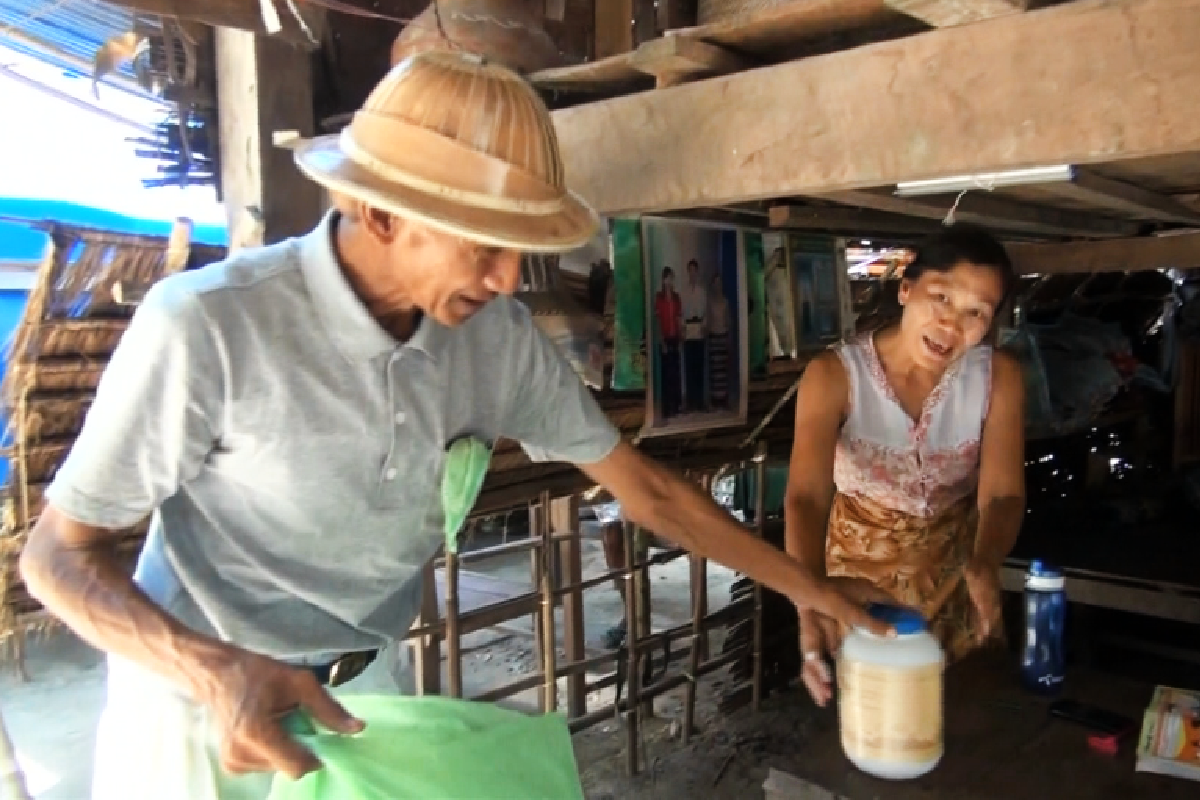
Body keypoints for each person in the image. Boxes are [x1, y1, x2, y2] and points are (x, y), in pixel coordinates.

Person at [18, 52, 890, 800]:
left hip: (366, 696)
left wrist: (809, 588)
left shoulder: (494, 339)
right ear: (384, 213)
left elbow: (649, 491)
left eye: (525, 249)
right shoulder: (206, 327)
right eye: (485, 243)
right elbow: (57, 557)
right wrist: (212, 672)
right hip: (198, 711)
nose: (512, 280)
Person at [784, 223, 1026, 707]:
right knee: (874, 710)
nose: (953, 324)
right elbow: (806, 499)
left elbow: (1002, 494)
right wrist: (810, 599)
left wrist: (984, 561)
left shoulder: (999, 376)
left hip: (954, 571)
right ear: (906, 288)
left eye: (977, 312)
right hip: (857, 582)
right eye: (941, 297)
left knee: (953, 709)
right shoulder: (834, 376)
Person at [654, 266, 684, 418]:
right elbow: (658, 321)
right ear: (663, 280)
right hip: (665, 338)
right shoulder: (659, 298)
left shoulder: (676, 297)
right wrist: (661, 341)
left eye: (671, 278)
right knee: (666, 374)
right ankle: (666, 407)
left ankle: (676, 404)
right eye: (667, 278)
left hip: (675, 337)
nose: (669, 281)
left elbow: (678, 319)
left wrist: (681, 336)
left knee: (676, 372)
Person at [681, 258, 708, 412]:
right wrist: (682, 329)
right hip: (688, 329)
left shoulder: (702, 291)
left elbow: (704, 312)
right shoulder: (683, 292)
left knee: (699, 366)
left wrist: (704, 327)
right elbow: (681, 313)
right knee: (689, 366)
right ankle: (690, 400)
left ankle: (700, 400)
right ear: (688, 272)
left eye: (694, 270)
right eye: (690, 270)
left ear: (697, 272)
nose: (692, 273)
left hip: (698, 329)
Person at [707, 271, 732, 410]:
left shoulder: (726, 302)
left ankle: (724, 399)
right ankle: (714, 400)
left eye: (719, 283)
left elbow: (728, 321)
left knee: (723, 370)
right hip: (713, 337)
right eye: (715, 283)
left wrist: (728, 338)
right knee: (715, 371)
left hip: (723, 336)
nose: (718, 285)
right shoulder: (710, 302)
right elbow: (709, 320)